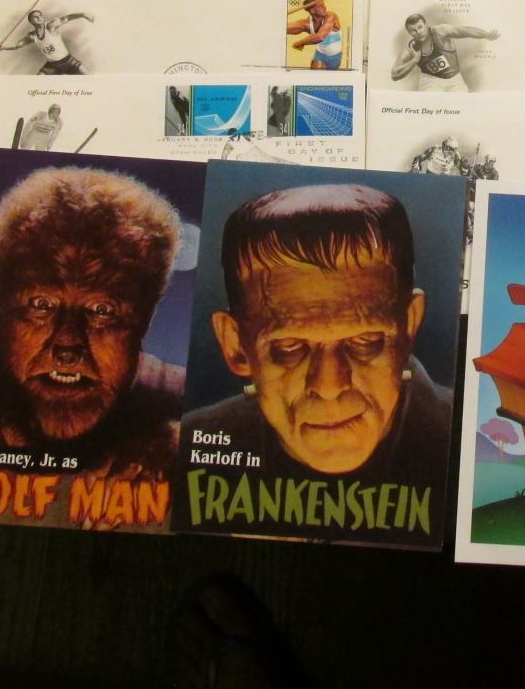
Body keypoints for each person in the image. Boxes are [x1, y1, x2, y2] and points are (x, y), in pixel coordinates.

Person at [0, 167, 184, 477]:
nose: (67, 348)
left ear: (144, 318)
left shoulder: (180, 400)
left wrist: (187, 446)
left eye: (101, 310)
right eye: (41, 305)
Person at [184, 183, 452, 483]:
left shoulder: (466, 440)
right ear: (235, 345)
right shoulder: (180, 452)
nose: (329, 387)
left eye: (364, 341)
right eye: (289, 347)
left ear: (409, 325)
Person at [390, 12, 499, 92]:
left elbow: (465, 31)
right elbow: (394, 74)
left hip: (455, 78)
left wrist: (486, 35)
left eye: (420, 27)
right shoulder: (411, 47)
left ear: (425, 25)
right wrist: (414, 60)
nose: (418, 32)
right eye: (413, 30)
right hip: (430, 80)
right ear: (409, 32)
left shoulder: (440, 31)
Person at [0, 8, 94, 75]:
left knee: (90, 79)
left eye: (40, 15)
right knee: (37, 81)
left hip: (68, 61)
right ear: (31, 21)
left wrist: (83, 14)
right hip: (52, 66)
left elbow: (67, 18)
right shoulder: (31, 36)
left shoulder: (50, 26)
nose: (38, 17)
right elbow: (16, 45)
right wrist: (2, 48)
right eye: (35, 17)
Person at [286, 0, 342, 70]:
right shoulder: (306, 24)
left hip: (335, 57)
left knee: (328, 77)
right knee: (314, 76)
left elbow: (320, 37)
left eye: (323, 4)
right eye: (320, 6)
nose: (325, 7)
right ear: (312, 10)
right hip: (320, 55)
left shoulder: (331, 16)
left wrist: (299, 43)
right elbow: (285, 28)